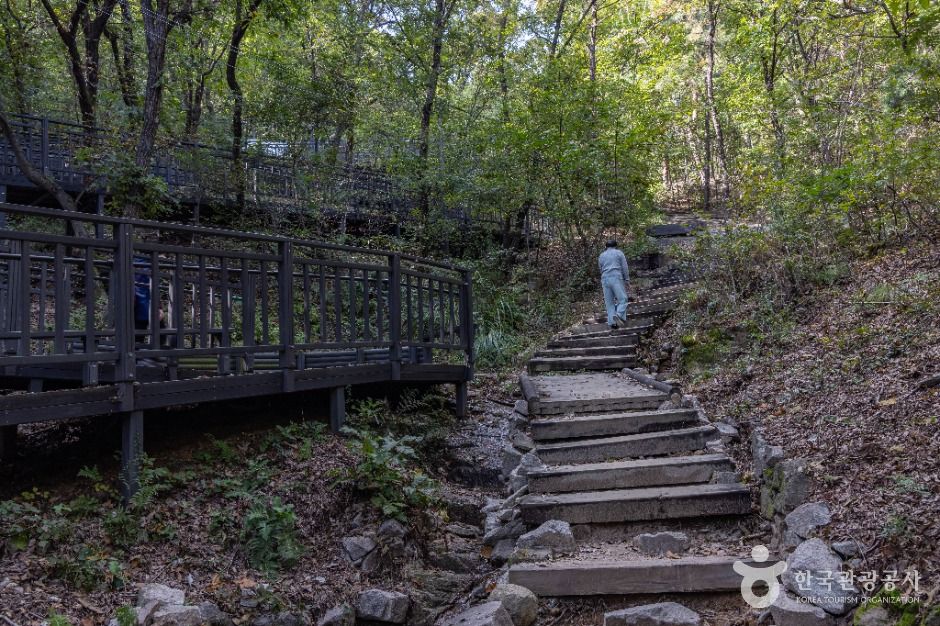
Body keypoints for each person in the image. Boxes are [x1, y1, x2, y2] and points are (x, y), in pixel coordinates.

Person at [598, 239, 630, 329]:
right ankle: (618, 315)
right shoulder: (619, 253)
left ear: (606, 247)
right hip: (616, 277)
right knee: (623, 299)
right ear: (615, 246)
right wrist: (627, 279)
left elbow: (600, 269)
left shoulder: (601, 255)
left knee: (609, 303)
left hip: (604, 278)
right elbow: (625, 267)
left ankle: (613, 323)